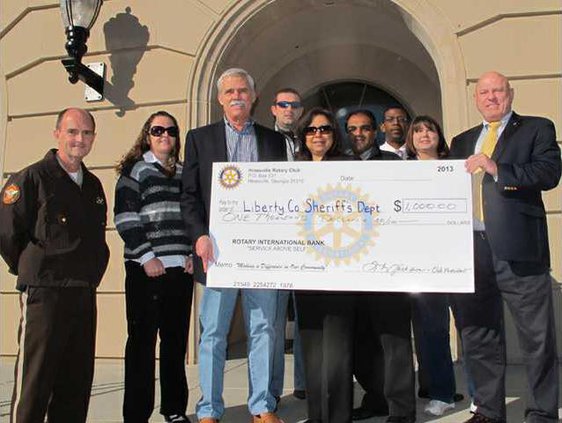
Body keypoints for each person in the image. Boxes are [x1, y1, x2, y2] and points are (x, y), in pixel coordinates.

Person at [450, 71, 560, 423]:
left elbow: (548, 173)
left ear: (510, 95)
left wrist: (498, 168)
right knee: (479, 335)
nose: (491, 97)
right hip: (471, 250)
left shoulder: (537, 128)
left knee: (537, 338)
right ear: (476, 99)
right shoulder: (462, 140)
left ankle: (542, 412)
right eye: (484, 92)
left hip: (520, 249)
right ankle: (487, 411)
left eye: (498, 90)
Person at [181, 68, 287, 423]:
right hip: (218, 255)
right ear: (220, 98)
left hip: (261, 253)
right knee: (212, 332)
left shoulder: (274, 142)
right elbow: (190, 196)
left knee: (264, 329)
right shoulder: (199, 138)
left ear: (254, 96)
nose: (237, 96)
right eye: (229, 91)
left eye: (243, 90)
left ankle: (262, 406)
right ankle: (209, 410)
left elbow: (284, 195)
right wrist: (199, 235)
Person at [0, 108, 110, 423]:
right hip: (45, 294)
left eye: (87, 133)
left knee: (75, 384)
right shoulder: (32, 177)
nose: (80, 139)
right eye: (73, 132)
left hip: (82, 293)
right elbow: (7, 232)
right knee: (34, 383)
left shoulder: (93, 185)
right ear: (57, 134)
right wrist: (33, 267)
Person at [114, 111, 194, 423]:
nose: (164, 136)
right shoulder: (135, 171)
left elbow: (191, 216)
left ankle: (174, 409)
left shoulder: (185, 172)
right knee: (141, 345)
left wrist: (190, 253)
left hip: (179, 271)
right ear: (147, 135)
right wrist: (147, 257)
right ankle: (136, 415)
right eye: (157, 130)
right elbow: (125, 217)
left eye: (170, 131)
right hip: (144, 271)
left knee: (175, 344)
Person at [294, 107, 356, 423]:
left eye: (325, 129)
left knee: (338, 349)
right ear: (303, 136)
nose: (318, 135)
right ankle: (317, 415)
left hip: (340, 273)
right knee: (313, 349)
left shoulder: (349, 166)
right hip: (305, 273)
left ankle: (339, 416)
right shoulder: (293, 170)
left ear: (334, 135)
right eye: (312, 130)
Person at [344, 109, 399, 421]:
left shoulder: (392, 164)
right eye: (352, 129)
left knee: (388, 339)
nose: (359, 134)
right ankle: (374, 397)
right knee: (360, 338)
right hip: (350, 266)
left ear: (375, 131)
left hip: (385, 265)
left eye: (364, 128)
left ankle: (394, 400)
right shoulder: (338, 165)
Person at [404, 115, 460, 417]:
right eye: (418, 131)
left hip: (459, 258)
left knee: (470, 328)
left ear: (439, 135)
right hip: (421, 264)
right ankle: (442, 393)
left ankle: (482, 394)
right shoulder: (402, 173)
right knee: (432, 331)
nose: (424, 135)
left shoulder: (457, 168)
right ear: (411, 140)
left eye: (430, 130)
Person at [270, 88, 306, 403]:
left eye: (294, 105)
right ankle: (272, 388)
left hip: (307, 236)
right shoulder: (263, 141)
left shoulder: (307, 142)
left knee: (306, 312)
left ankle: (304, 383)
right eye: (283, 104)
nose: (289, 109)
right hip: (276, 236)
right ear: (273, 109)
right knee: (274, 317)